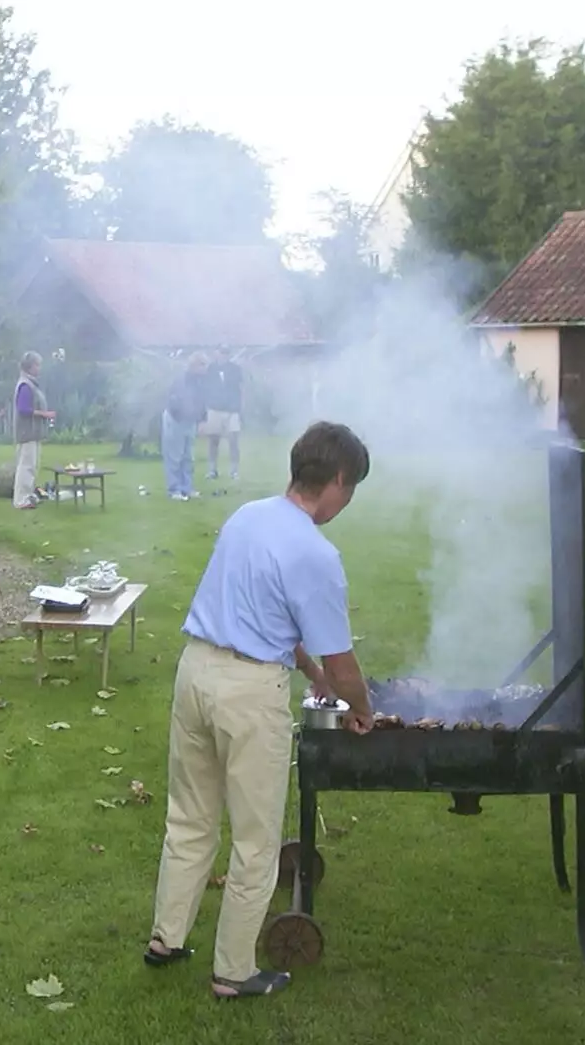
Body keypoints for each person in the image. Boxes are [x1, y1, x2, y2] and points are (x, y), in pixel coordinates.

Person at [143, 421, 376, 1000]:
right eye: (352, 491)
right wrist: (361, 709)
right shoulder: (315, 553)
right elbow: (343, 661)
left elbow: (267, 611)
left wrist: (311, 672)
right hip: (248, 695)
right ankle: (234, 971)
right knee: (255, 839)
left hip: (195, 671)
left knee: (190, 819)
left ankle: (166, 939)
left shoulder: (249, 516)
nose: (347, 503)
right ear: (339, 480)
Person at [161, 353, 211, 501]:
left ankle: (187, 488)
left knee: (188, 457)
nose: (205, 369)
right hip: (175, 420)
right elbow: (175, 401)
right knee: (175, 456)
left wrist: (202, 420)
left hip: (190, 421)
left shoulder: (200, 381)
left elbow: (202, 401)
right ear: (194, 366)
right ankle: (174, 489)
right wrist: (182, 417)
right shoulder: (181, 380)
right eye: (203, 365)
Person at [12, 351, 55, 510]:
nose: (39, 368)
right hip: (27, 433)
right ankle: (21, 500)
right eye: (37, 365)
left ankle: (27, 496)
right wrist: (45, 414)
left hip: (33, 433)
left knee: (32, 466)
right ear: (29, 366)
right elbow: (23, 409)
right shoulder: (25, 385)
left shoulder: (30, 383)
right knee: (26, 466)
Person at [203, 348, 244, 481]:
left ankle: (234, 471)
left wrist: (239, 406)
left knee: (233, 440)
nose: (224, 356)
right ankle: (212, 470)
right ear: (216, 354)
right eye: (221, 352)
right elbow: (204, 388)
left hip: (232, 410)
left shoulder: (235, 369)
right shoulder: (210, 369)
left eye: (226, 353)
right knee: (213, 441)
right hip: (214, 408)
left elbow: (241, 388)